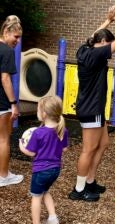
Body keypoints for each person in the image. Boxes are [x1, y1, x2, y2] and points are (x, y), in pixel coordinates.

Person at [68, 6, 115, 202]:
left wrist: (108, 21)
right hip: (91, 109)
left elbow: (91, 37)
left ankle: (90, 181)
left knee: (103, 143)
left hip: (94, 107)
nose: (110, 49)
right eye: (108, 44)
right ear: (102, 43)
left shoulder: (85, 49)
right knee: (88, 149)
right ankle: (79, 189)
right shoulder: (95, 54)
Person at [19, 96, 68, 224]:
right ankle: (53, 218)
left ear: (44, 114)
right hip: (55, 170)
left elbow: (31, 153)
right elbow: (64, 149)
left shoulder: (38, 133)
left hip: (40, 171)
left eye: (37, 110)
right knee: (45, 191)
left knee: (36, 198)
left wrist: (21, 146)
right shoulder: (62, 130)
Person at [0, 15, 23, 187]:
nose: (17, 40)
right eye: (16, 36)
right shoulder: (7, 51)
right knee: (3, 139)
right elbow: (5, 78)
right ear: (6, 32)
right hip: (1, 103)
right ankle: (3, 176)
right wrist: (13, 103)